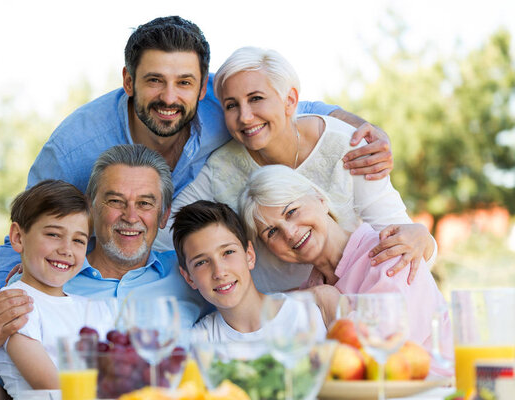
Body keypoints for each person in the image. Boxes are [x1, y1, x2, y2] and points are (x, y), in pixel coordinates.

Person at [0, 16, 394, 298]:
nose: (170, 98)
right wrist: (0, 290)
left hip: (200, 286)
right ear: (129, 80)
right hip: (103, 289)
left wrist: (366, 129)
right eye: (154, 81)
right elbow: (24, 232)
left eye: (184, 83)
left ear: (203, 84)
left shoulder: (223, 108)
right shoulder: (74, 147)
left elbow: (296, 110)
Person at [162, 46, 434, 293]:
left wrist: (421, 236)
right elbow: (164, 235)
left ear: (290, 100)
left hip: (362, 298)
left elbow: (404, 242)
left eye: (256, 98)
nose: (244, 116)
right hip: (281, 314)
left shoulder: (346, 145)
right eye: (232, 105)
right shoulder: (221, 167)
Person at [0, 144, 209, 399]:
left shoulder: (191, 273)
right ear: (93, 208)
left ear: (164, 215)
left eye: (145, 203)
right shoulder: (28, 297)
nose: (131, 216)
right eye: (115, 201)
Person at [238, 165, 453, 377]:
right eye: (272, 232)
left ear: (320, 199)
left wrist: (330, 302)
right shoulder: (310, 290)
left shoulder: (390, 251)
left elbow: (382, 358)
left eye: (292, 211)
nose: (290, 232)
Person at [0, 180, 112, 396]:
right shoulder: (15, 304)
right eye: (54, 235)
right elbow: (50, 384)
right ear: (19, 238)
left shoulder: (90, 307)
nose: (66, 249)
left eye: (78, 240)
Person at [171, 200, 339, 343]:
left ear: (249, 255)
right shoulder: (199, 342)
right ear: (188, 277)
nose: (219, 272)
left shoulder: (315, 307)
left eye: (228, 252)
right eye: (201, 262)